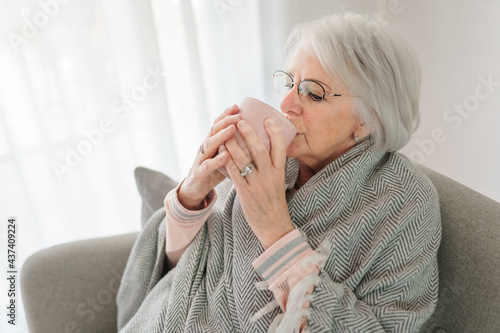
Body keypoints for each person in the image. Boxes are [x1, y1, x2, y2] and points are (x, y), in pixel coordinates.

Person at [117, 12, 441, 333]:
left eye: (313, 93)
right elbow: (181, 267)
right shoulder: (266, 157)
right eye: (288, 84)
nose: (286, 103)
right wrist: (191, 193)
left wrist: (274, 229)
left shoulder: (406, 204)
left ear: (370, 120)